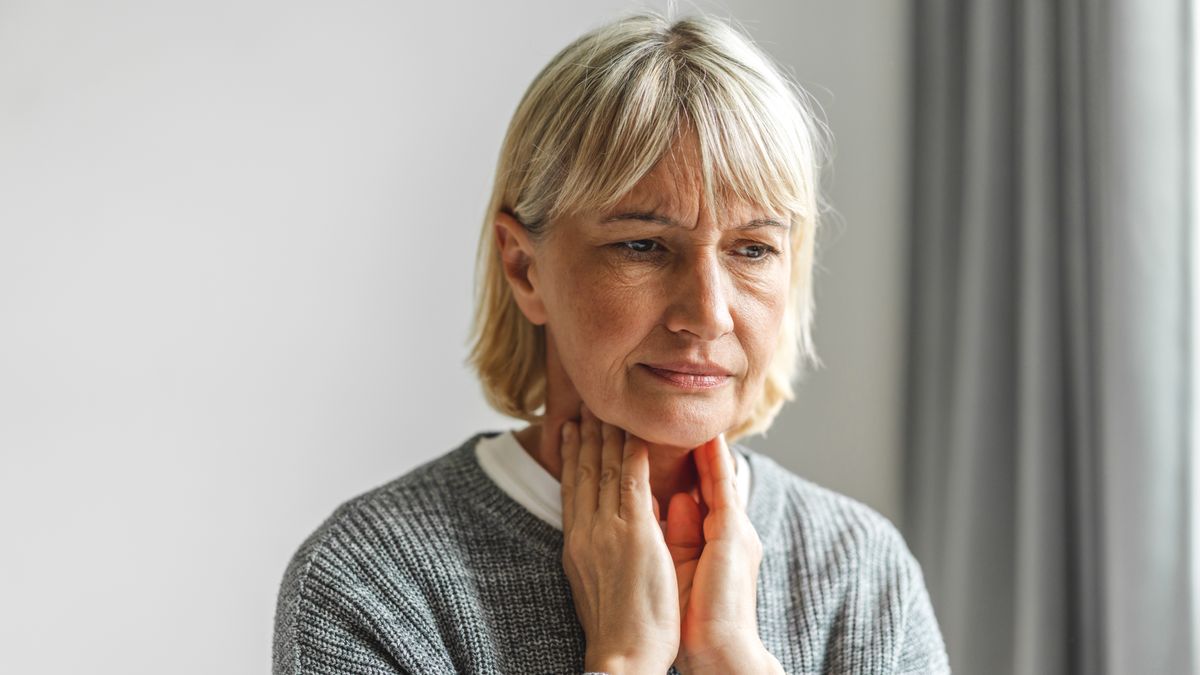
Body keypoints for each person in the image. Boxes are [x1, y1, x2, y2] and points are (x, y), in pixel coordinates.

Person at [272, 11, 951, 675]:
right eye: (643, 245)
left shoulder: (861, 574)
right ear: (523, 266)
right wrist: (624, 661)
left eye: (751, 248)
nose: (708, 314)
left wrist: (730, 661)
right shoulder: (372, 585)